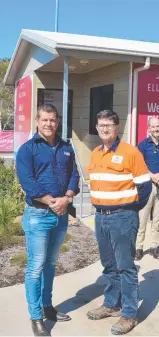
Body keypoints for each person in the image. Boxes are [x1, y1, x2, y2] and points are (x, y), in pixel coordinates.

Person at [86, 110, 152, 335]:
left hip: (122, 218)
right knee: (109, 265)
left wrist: (129, 210)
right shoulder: (95, 153)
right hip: (100, 218)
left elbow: (145, 187)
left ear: (117, 128)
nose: (105, 129)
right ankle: (112, 303)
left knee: (125, 267)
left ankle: (129, 313)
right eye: (101, 125)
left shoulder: (130, 152)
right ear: (97, 127)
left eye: (109, 125)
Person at [16, 104, 80, 336]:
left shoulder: (66, 148)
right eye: (44, 120)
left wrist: (68, 197)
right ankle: (36, 317)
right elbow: (28, 182)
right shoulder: (27, 150)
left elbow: (75, 175)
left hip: (60, 216)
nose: (49, 124)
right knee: (35, 267)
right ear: (37, 121)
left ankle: (47, 307)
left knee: (51, 265)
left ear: (57, 121)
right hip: (38, 216)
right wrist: (52, 201)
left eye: (52, 120)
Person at [136, 117, 159, 260]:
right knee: (142, 219)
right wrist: (152, 176)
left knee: (157, 220)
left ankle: (154, 247)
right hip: (146, 186)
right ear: (149, 128)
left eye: (158, 126)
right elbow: (139, 164)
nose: (156, 129)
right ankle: (139, 247)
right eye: (153, 127)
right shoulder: (143, 145)